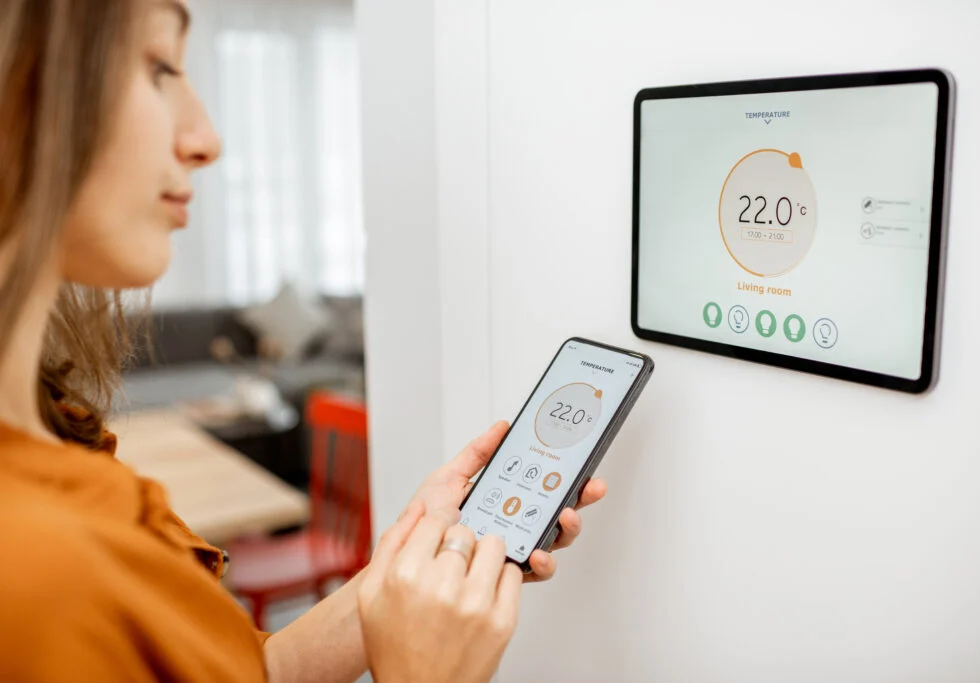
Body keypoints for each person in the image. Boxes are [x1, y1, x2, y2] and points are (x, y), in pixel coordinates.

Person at [0, 1, 608, 681]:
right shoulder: (29, 565)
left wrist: (400, 574)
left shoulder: (58, 444)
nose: (205, 138)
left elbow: (249, 670)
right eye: (159, 67)